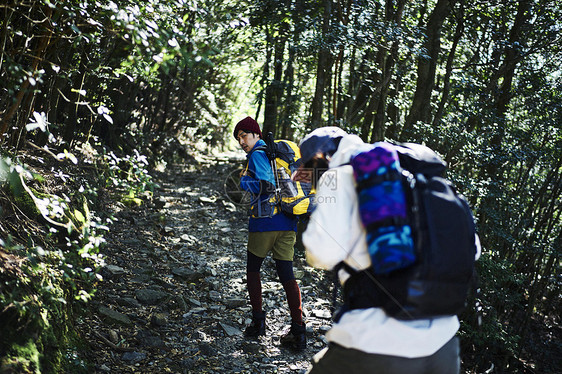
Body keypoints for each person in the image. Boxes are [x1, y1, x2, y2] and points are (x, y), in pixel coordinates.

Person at [297, 127, 473, 374]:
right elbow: (473, 249)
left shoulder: (339, 176)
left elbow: (321, 253)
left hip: (376, 341)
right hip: (444, 345)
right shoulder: (414, 177)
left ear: (320, 158)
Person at [233, 116, 306, 351]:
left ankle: (258, 323)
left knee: (253, 270)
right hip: (287, 221)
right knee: (287, 275)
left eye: (244, 135)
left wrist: (245, 182)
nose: (242, 141)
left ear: (257, 134)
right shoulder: (277, 156)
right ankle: (298, 330)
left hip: (265, 222)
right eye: (238, 138)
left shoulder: (258, 154)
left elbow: (265, 186)